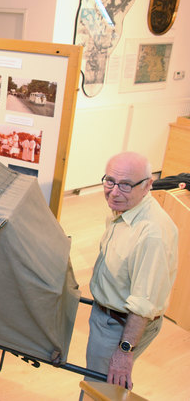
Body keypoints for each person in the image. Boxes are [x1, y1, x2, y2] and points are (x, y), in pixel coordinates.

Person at [85, 151, 178, 390]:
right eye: (110, 181)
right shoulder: (127, 208)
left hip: (120, 326)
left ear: (148, 185)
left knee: (100, 390)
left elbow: (144, 303)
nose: (114, 192)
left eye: (125, 185)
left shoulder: (152, 234)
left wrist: (124, 352)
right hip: (109, 315)